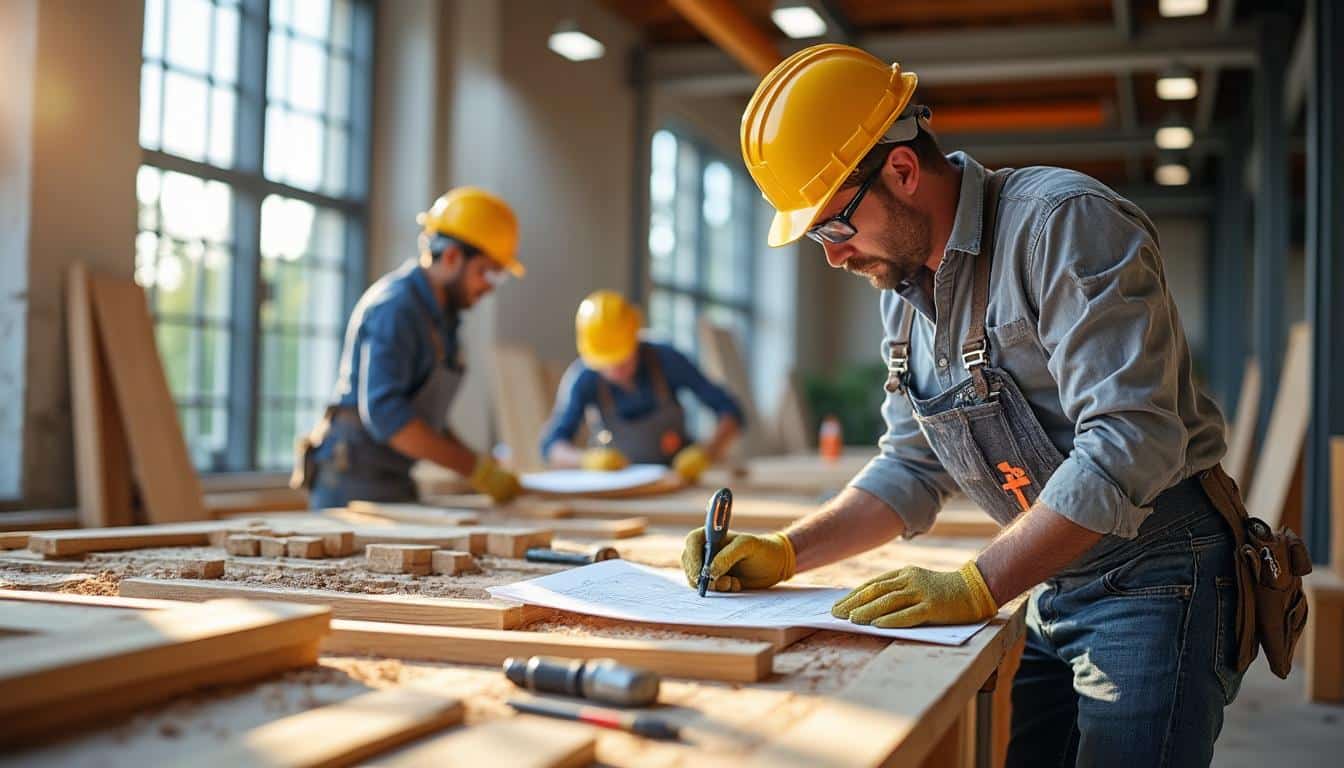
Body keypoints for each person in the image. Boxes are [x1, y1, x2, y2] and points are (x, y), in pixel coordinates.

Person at [681, 44, 1241, 766]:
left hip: (1159, 574)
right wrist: (789, 550)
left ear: (903, 171)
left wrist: (980, 583)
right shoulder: (905, 295)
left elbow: (1130, 439)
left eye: (832, 226)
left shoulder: (1061, 225)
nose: (832, 255)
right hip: (1052, 576)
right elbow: (910, 468)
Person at [295, 188, 524, 508]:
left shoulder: (444, 319)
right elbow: (388, 417)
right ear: (452, 257)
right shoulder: (397, 308)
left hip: (394, 479)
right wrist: (475, 469)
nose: (489, 285)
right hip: (350, 484)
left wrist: (480, 465)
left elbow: (429, 421)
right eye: (487, 271)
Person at [539, 291, 744, 482]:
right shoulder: (584, 378)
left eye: (622, 360)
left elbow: (730, 411)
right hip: (620, 485)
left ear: (635, 340)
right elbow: (552, 446)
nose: (615, 369)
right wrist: (585, 460)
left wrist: (707, 452)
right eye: (606, 363)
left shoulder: (666, 360)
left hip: (678, 480)